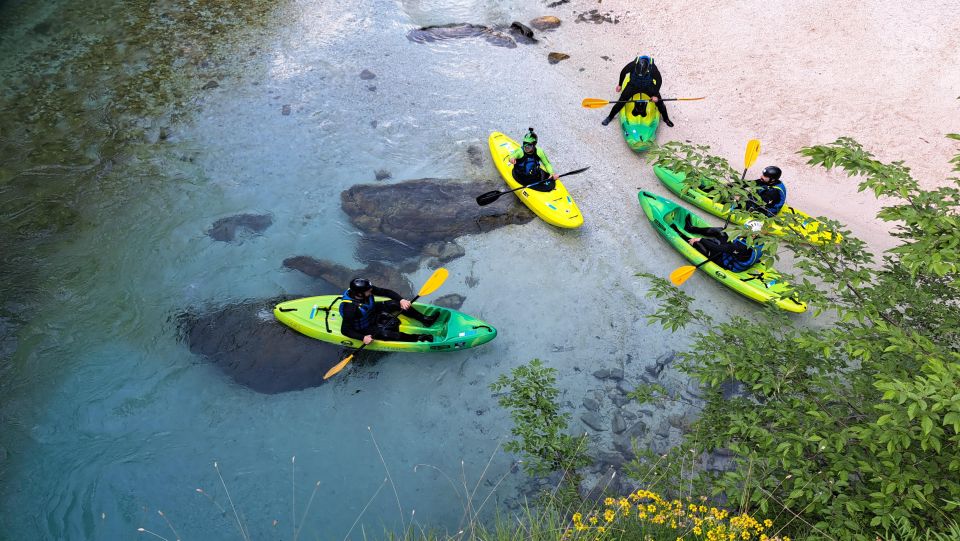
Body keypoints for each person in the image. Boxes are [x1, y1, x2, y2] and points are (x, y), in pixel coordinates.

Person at [339, 278, 439, 344]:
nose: (371, 290)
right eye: (368, 291)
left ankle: (425, 320)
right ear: (359, 294)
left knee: (395, 303)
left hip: (372, 311)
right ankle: (419, 338)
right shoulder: (350, 309)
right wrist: (362, 338)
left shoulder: (365, 290)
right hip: (364, 326)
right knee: (386, 334)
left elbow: (386, 292)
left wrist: (401, 300)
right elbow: (345, 330)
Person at [602, 55, 674, 127]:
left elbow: (659, 81)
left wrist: (655, 95)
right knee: (621, 101)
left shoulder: (653, 69)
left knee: (660, 102)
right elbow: (623, 72)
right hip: (633, 85)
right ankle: (610, 117)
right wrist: (620, 84)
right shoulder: (633, 65)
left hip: (648, 86)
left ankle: (666, 118)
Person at [685, 220, 763, 273]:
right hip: (734, 252)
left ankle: (684, 238)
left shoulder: (742, 246)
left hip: (726, 262)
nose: (743, 231)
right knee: (720, 231)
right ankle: (691, 229)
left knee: (701, 244)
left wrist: (701, 239)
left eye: (746, 230)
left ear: (753, 235)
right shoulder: (761, 242)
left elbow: (717, 248)